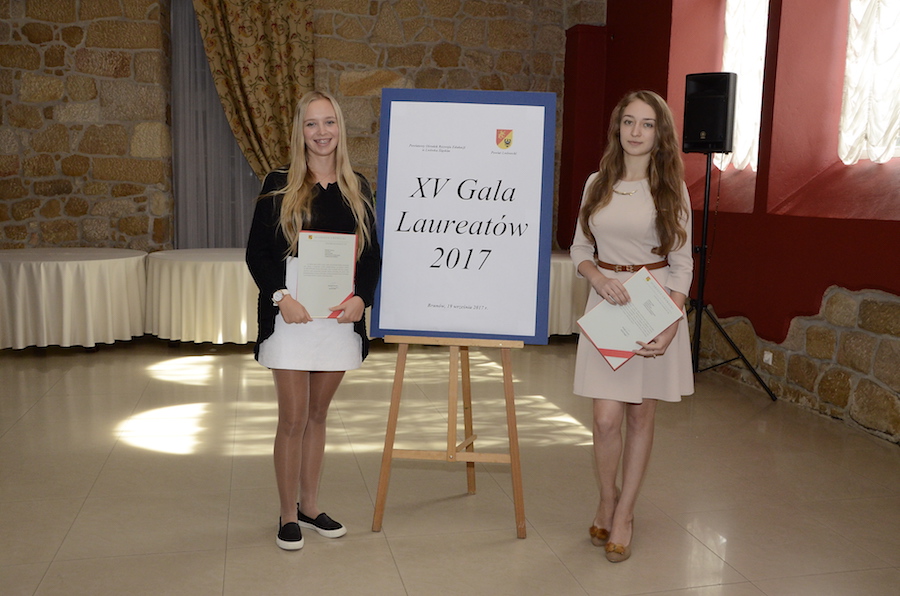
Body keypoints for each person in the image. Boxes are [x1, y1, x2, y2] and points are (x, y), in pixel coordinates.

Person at [246, 90, 381, 551]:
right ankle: (287, 514)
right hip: (291, 315)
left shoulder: (358, 187)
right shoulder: (279, 183)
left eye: (329, 122)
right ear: (300, 131)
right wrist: (280, 297)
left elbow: (371, 256)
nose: (321, 132)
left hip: (337, 319)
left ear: (340, 128)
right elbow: (257, 253)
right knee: (293, 418)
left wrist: (362, 298)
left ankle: (310, 505)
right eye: (311, 123)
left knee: (319, 416)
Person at [569, 90, 693, 563]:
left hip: (652, 306)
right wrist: (598, 279)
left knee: (640, 415)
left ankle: (624, 513)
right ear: (617, 128)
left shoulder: (671, 189)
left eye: (646, 123)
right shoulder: (596, 183)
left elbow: (682, 264)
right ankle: (607, 497)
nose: (635, 132)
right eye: (628, 122)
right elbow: (580, 249)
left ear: (660, 134)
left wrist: (672, 322)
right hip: (607, 303)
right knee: (605, 419)